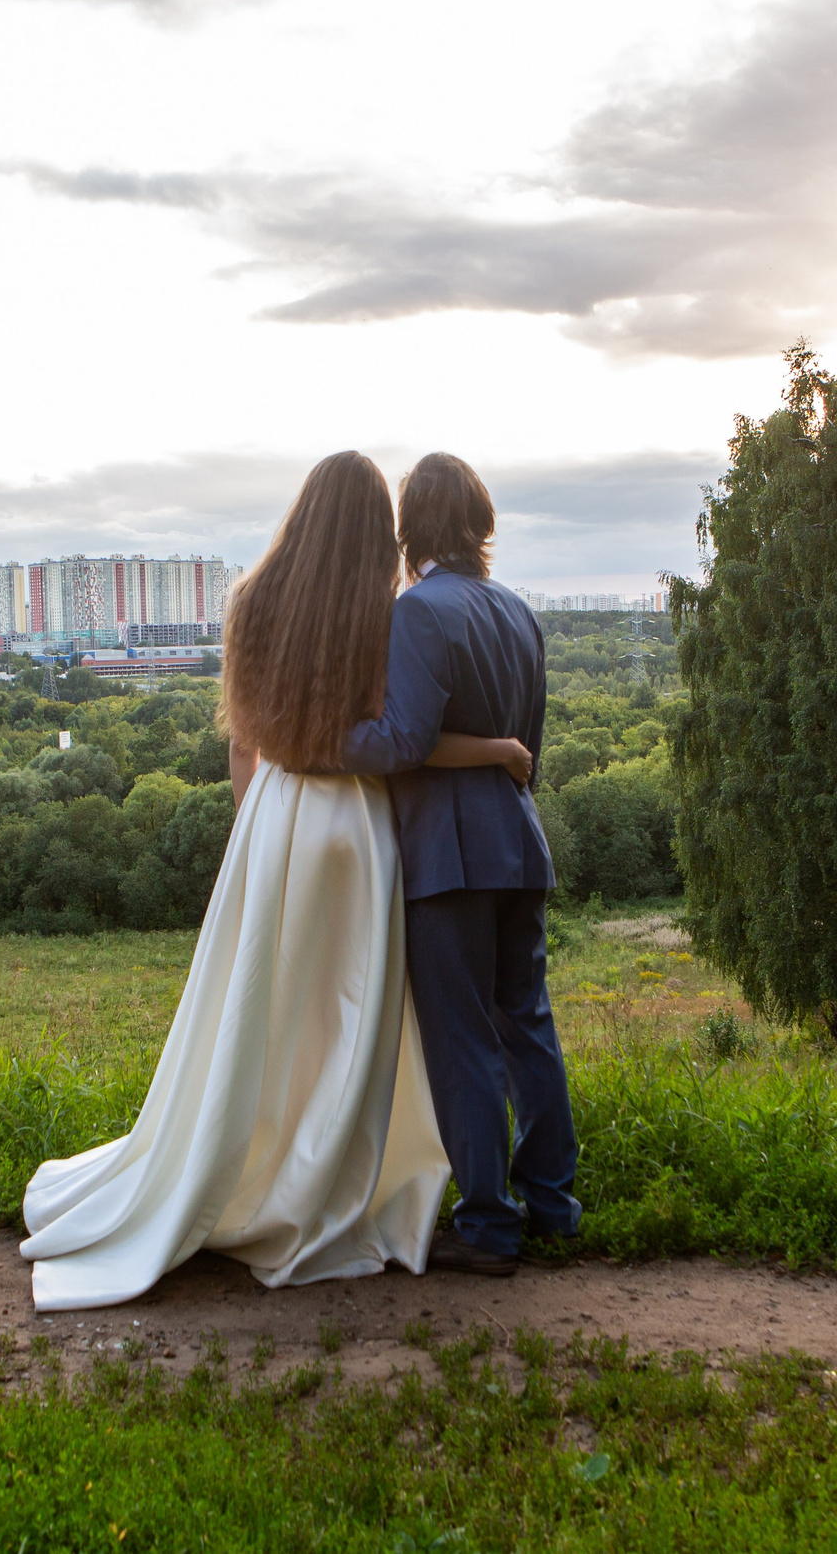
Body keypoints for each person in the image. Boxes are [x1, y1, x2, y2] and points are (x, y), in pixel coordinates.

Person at [19, 452, 533, 1312]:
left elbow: (242, 741)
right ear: (376, 530)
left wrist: (251, 835)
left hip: (278, 811)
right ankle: (327, 1179)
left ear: (303, 513)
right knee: (345, 1017)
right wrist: (494, 751)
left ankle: (251, 1161)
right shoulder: (386, 613)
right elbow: (403, 741)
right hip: (355, 824)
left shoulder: (251, 601)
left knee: (266, 1006)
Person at [337, 453, 577, 1278]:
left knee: (463, 1038)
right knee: (528, 1023)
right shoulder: (519, 613)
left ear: (412, 528)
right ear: (480, 524)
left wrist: (321, 736)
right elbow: (526, 748)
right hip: (519, 843)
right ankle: (553, 1205)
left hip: (448, 857)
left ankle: (488, 1226)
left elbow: (401, 740)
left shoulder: (416, 613)